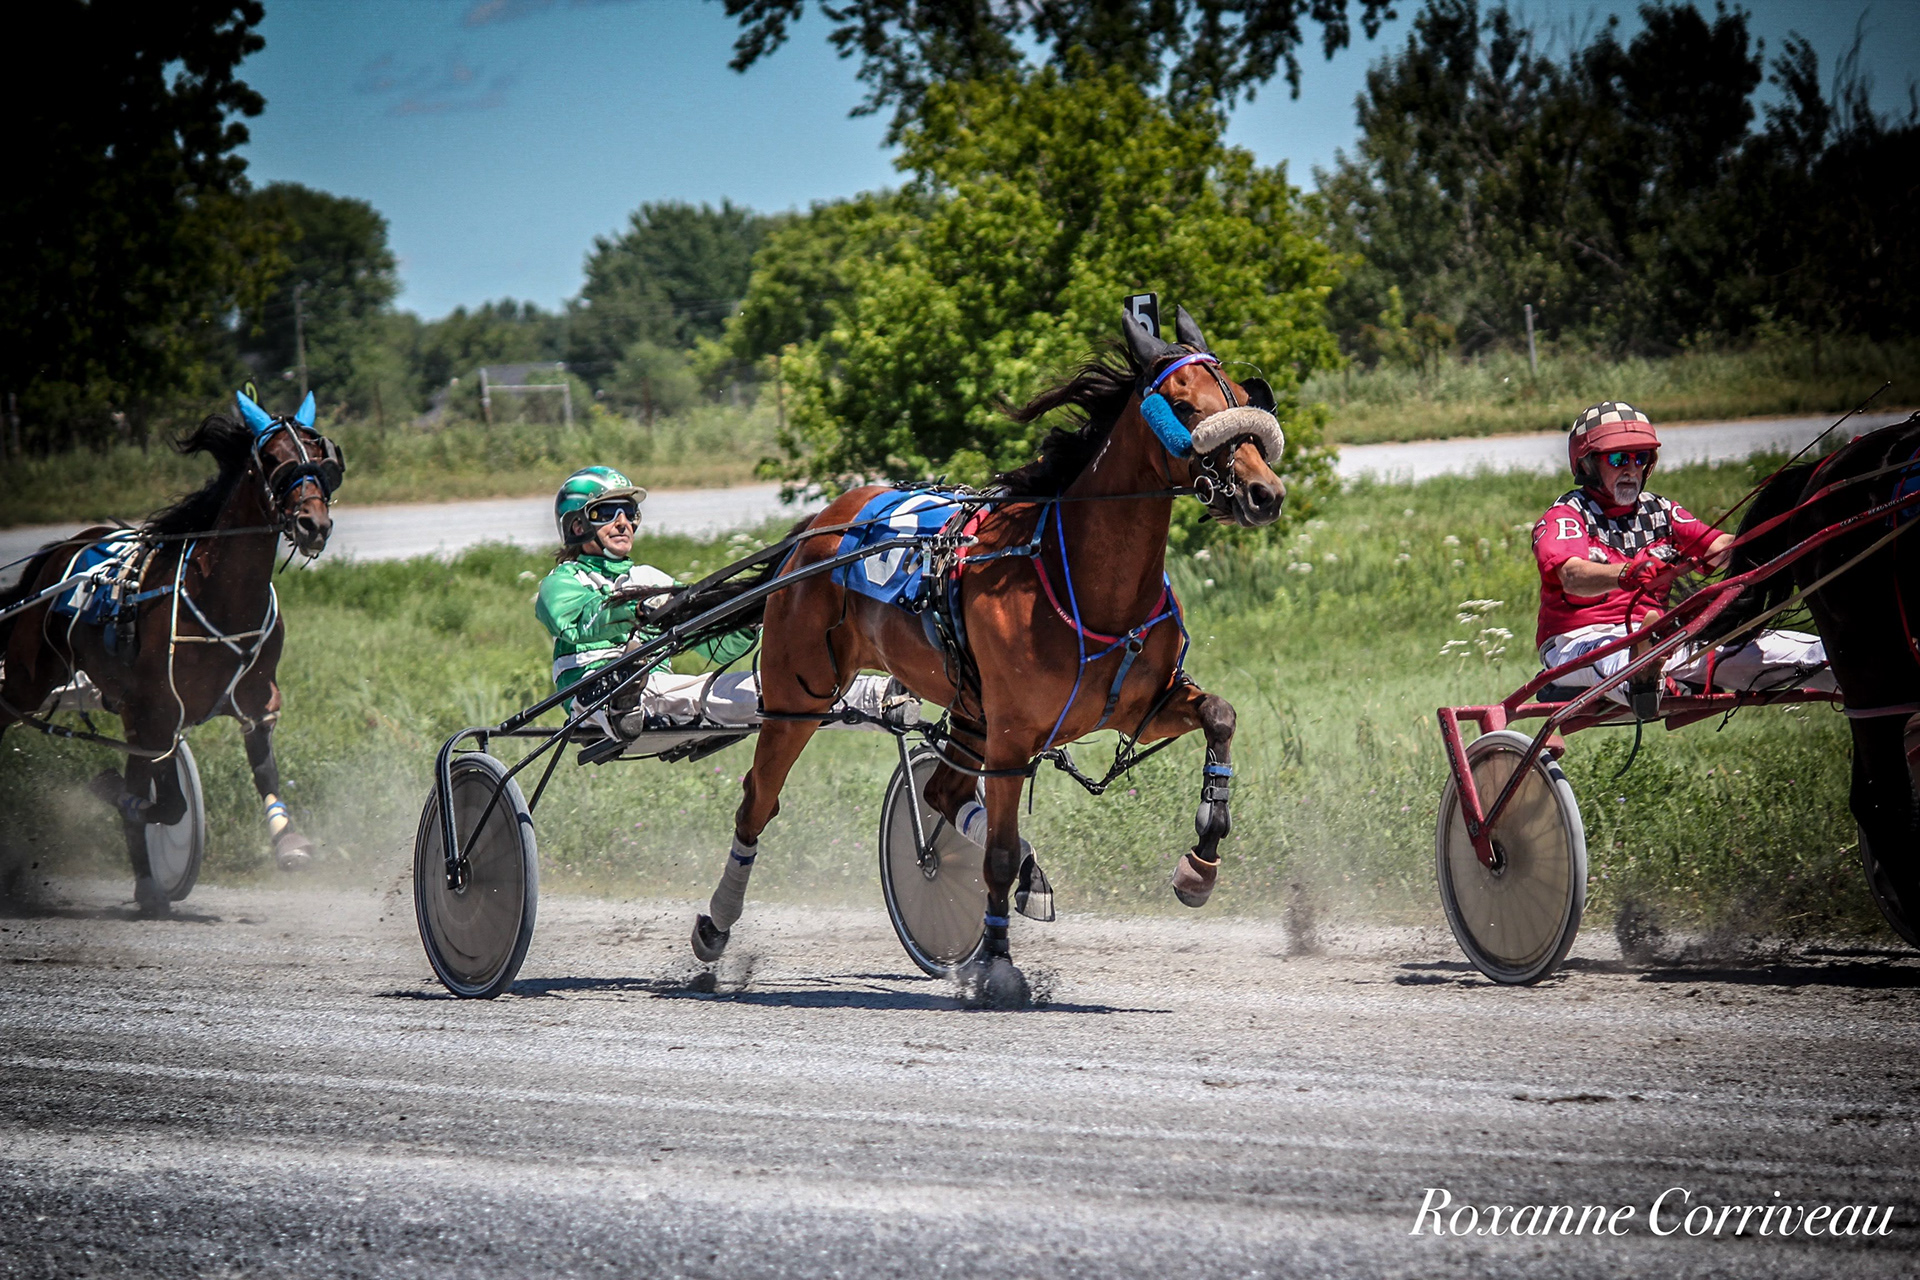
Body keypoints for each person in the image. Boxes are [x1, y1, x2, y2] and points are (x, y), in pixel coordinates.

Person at [535, 466, 901, 735]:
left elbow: (719, 647)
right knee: (656, 690)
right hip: (587, 691)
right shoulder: (562, 582)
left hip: (659, 691)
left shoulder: (651, 579)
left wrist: (750, 618)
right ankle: (619, 700)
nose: (623, 523)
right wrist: (638, 608)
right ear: (578, 526)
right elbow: (577, 621)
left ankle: (882, 693)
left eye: (629, 513)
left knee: (759, 687)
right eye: (606, 513)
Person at [1531, 402, 1835, 702]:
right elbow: (1572, 576)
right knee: (1618, 659)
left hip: (1665, 639)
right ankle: (1644, 676)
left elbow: (1721, 549)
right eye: (1619, 458)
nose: (1631, 469)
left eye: (1641, 458)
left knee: (1812, 653)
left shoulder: (1661, 511)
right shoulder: (1567, 515)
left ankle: (1857, 667)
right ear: (1586, 464)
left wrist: (1786, 539)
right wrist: (1627, 573)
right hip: (1577, 642)